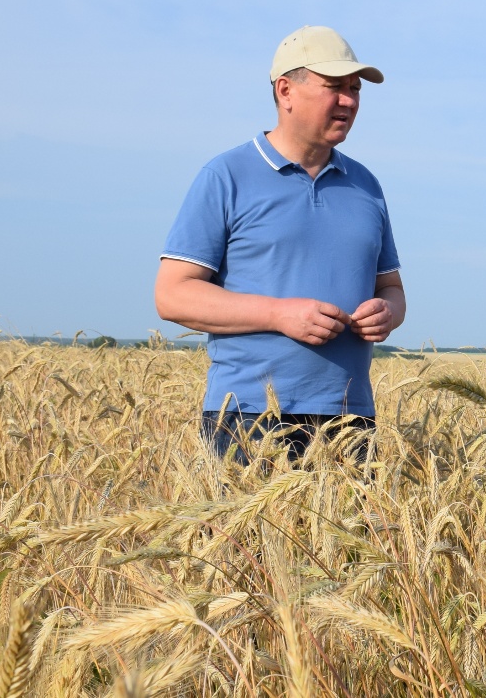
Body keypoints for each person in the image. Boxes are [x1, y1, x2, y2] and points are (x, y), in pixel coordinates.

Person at [156, 25, 406, 463]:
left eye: (355, 89)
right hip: (248, 418)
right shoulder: (226, 176)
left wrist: (387, 312)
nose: (349, 101)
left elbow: (392, 289)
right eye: (335, 87)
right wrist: (279, 314)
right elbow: (172, 295)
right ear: (285, 90)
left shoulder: (366, 185)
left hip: (350, 419)